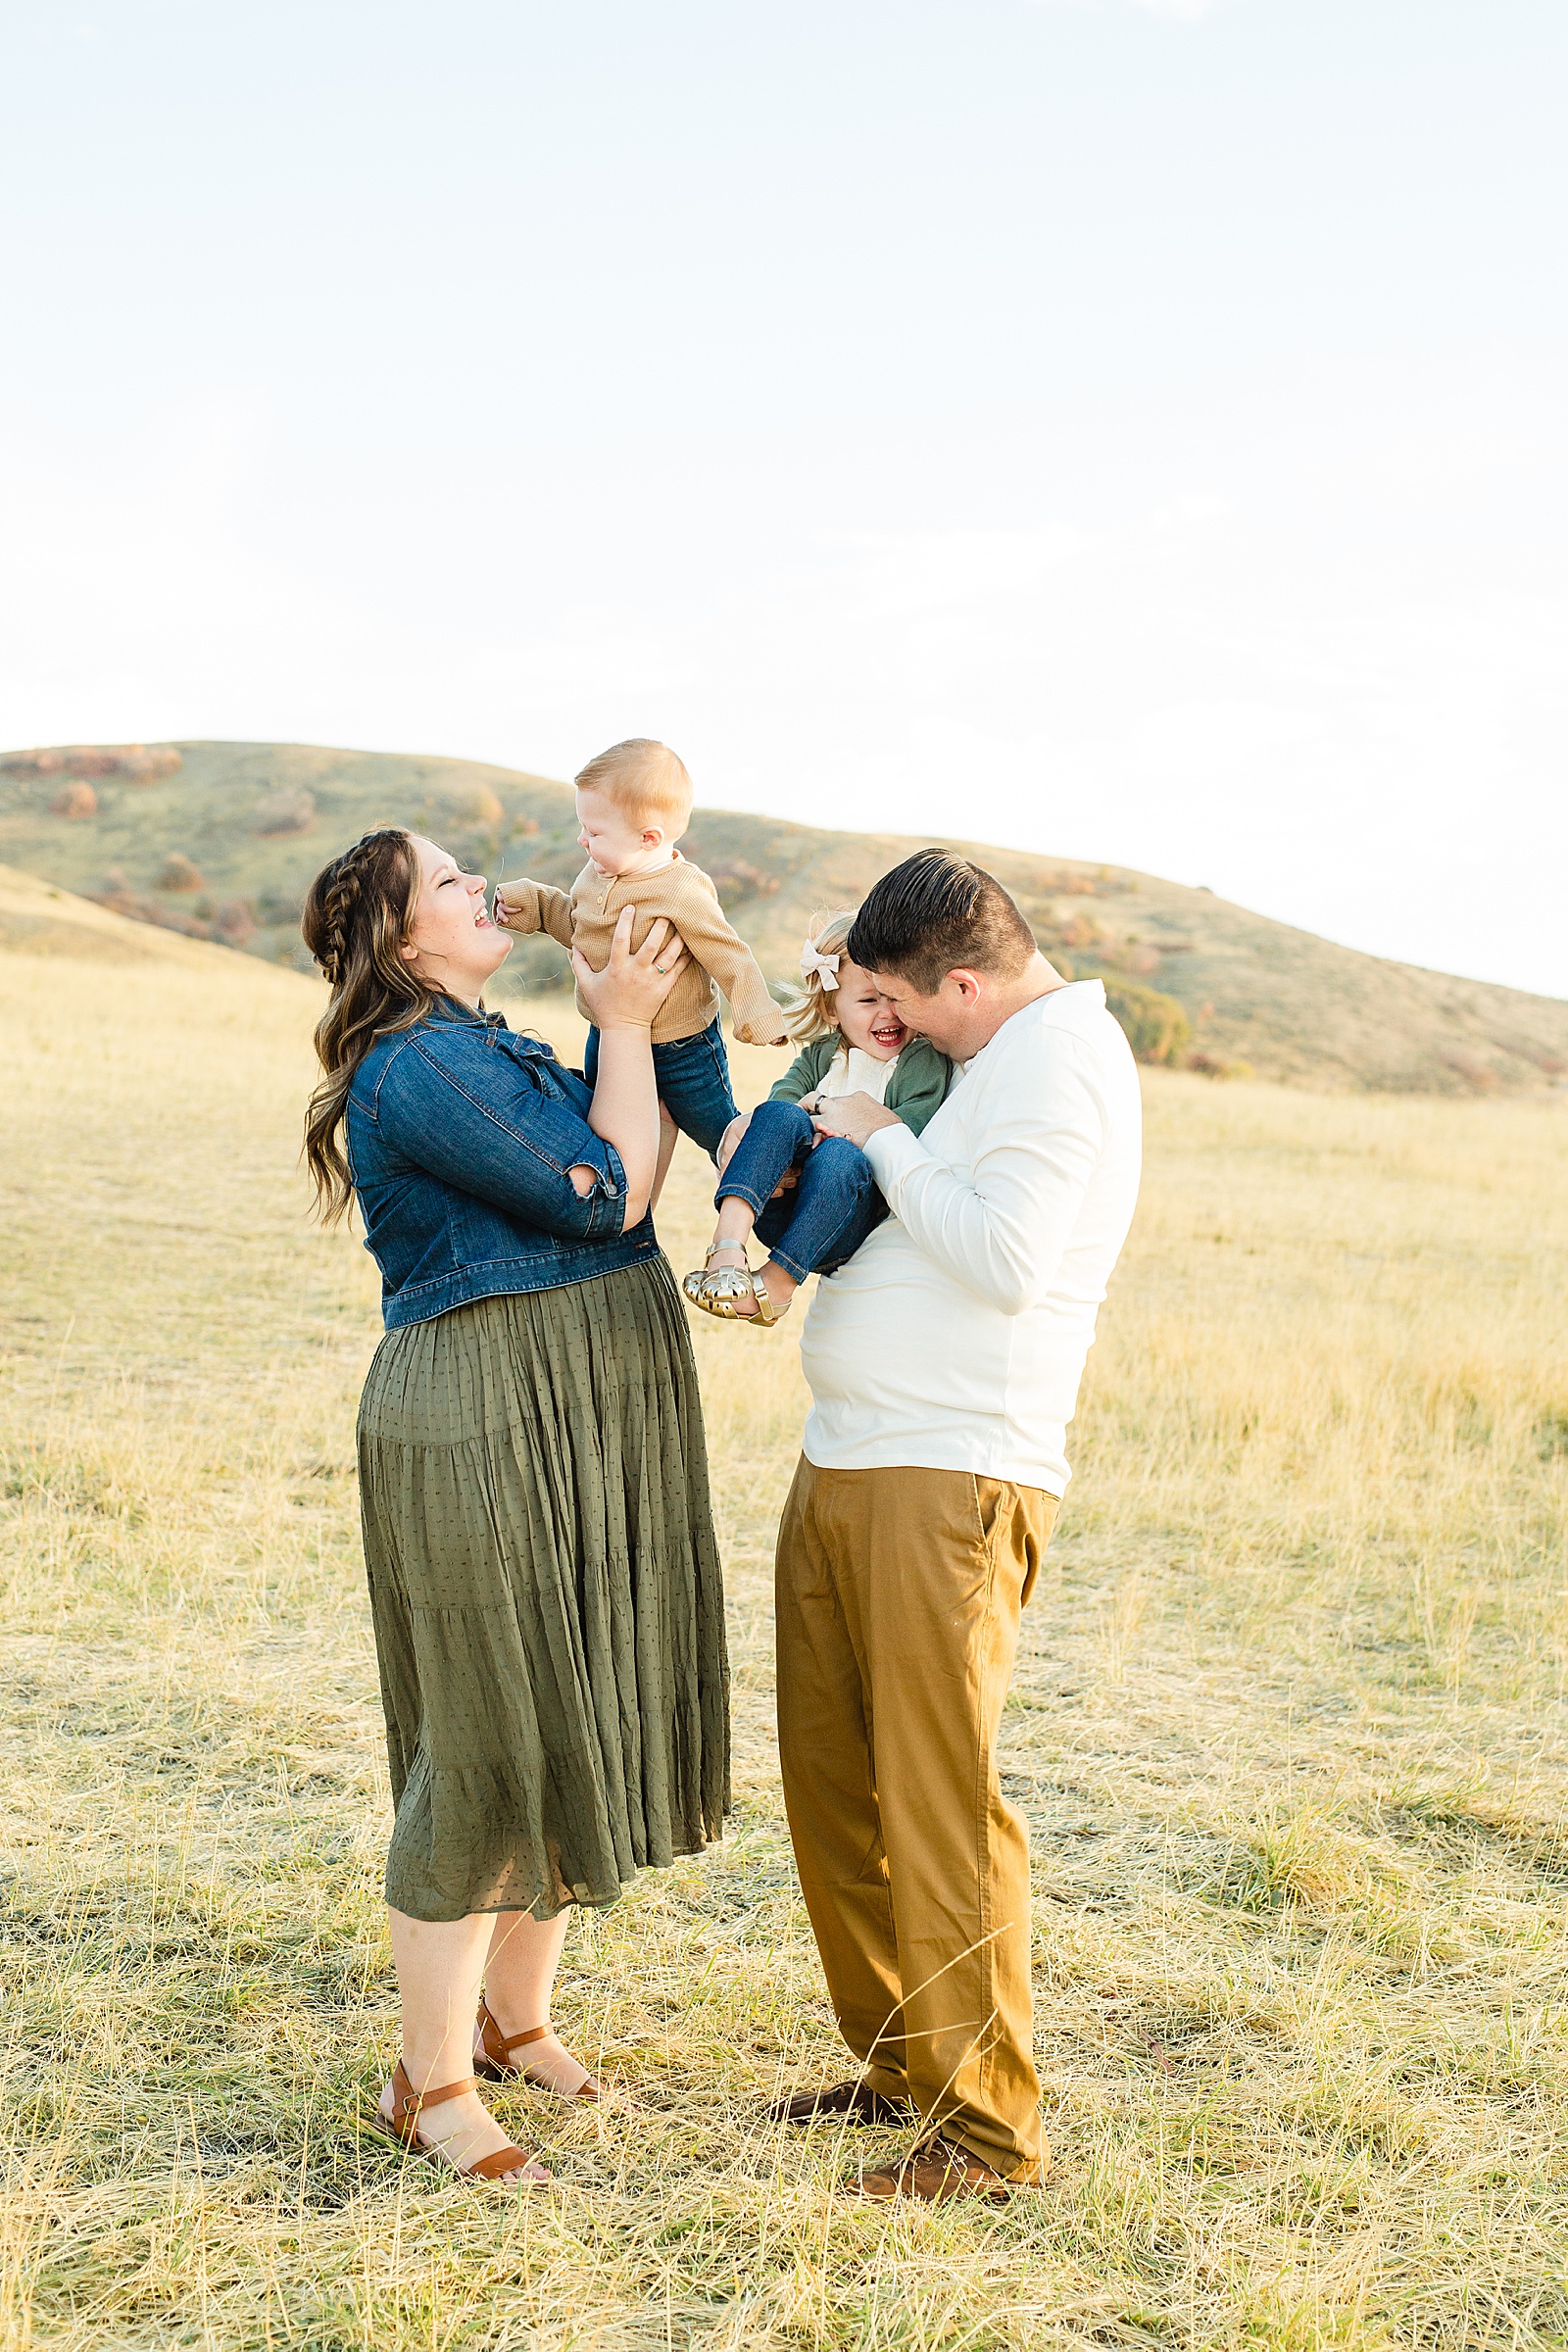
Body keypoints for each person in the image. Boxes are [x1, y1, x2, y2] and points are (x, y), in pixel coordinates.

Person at [301, 827, 729, 2187]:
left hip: (586, 1395)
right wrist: (614, 1025)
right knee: (487, 1731)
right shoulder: (419, 1061)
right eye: (443, 881)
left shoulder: (485, 1040)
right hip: (486, 1399)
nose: (480, 887)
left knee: (574, 1701)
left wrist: (632, 1017)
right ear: (392, 932)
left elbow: (644, 1163)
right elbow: (603, 1195)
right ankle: (424, 2085)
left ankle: (511, 2018)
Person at [769, 848, 1142, 2204]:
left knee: (937, 1804)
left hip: (951, 1474)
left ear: (968, 980)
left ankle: (985, 2135)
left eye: (915, 1003)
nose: (900, 1027)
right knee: (835, 1783)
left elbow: (1002, 1262)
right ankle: (902, 2065)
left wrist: (881, 1134)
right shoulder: (985, 1057)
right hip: (851, 1456)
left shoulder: (1060, 1062)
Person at [493, 738, 788, 1183]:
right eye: (583, 828)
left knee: (719, 1132)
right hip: (608, 1036)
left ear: (648, 838)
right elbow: (579, 928)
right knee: (610, 1132)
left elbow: (728, 954)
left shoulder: (682, 891)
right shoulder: (595, 876)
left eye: (594, 832)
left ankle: (767, 1188)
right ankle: (622, 1218)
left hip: (682, 1048)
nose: (582, 840)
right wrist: (535, 905)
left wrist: (756, 1012)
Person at [682, 910, 954, 1326]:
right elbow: (781, 1109)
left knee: (839, 1156)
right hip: (778, 1210)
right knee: (775, 1114)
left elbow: (910, 1130)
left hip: (842, 1219)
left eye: (895, 997)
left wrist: (828, 1124)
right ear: (831, 1008)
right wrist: (799, 1127)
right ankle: (728, 1245)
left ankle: (778, 1284)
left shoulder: (919, 1061)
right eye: (868, 1000)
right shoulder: (820, 1056)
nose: (888, 1014)